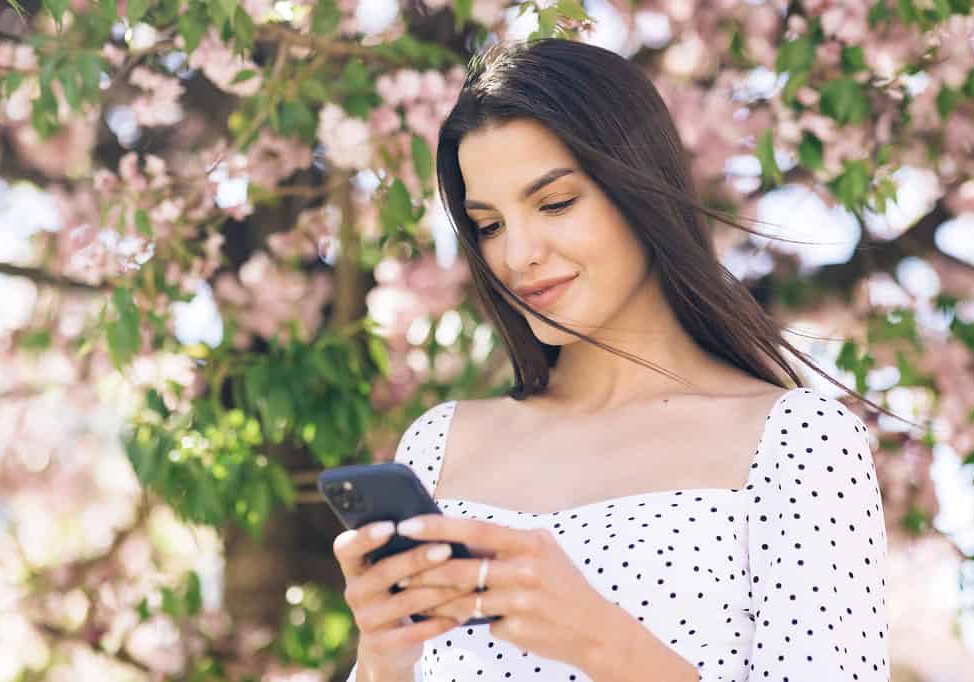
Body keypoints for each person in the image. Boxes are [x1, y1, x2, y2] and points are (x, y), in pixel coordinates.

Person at [332, 37, 893, 681]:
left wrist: (600, 643)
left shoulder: (798, 442)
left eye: (555, 203)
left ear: (640, 188)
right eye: (489, 225)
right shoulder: (439, 443)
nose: (518, 256)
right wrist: (382, 657)